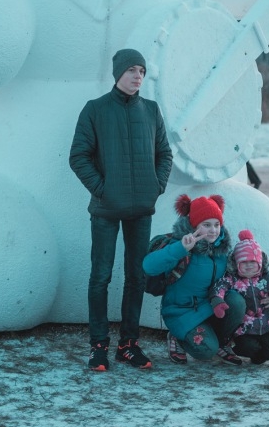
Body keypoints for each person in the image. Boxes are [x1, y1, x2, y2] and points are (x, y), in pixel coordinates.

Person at [69, 48, 173, 372]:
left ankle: (128, 345)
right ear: (118, 74)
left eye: (141, 71)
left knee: (136, 277)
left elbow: (165, 155)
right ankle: (98, 346)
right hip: (105, 210)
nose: (137, 76)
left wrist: (155, 187)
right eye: (131, 70)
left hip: (141, 210)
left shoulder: (152, 111)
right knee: (100, 276)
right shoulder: (95, 110)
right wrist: (102, 189)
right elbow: (78, 157)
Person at [143, 194, 246, 365]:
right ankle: (177, 337)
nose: (213, 230)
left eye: (216, 224)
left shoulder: (221, 249)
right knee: (206, 351)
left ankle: (220, 341)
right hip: (183, 312)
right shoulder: (181, 246)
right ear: (194, 225)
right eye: (206, 225)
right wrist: (180, 248)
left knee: (236, 301)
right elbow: (149, 266)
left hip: (211, 308)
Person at [210, 229, 269, 364]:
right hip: (244, 328)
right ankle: (241, 348)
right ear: (237, 264)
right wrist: (218, 300)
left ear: (260, 262)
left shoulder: (267, 279)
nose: (249, 266)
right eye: (244, 262)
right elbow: (219, 287)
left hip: (267, 325)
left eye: (252, 262)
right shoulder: (233, 279)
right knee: (248, 347)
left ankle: (259, 356)